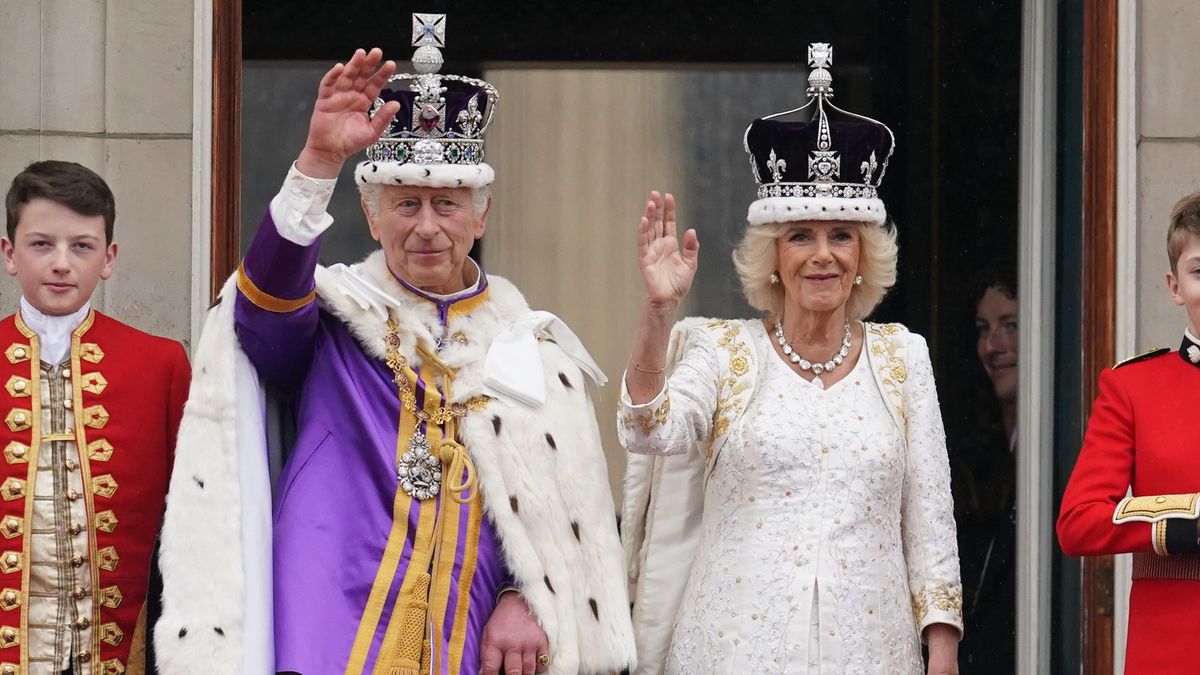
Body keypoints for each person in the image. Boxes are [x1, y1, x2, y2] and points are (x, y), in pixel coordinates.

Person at [154, 18, 635, 675]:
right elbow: (261, 306)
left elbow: (562, 525)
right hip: (325, 627)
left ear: (482, 214)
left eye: (447, 202)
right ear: (372, 215)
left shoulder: (536, 352)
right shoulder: (332, 319)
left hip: (463, 639)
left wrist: (531, 595)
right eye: (406, 203)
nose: (428, 226)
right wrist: (318, 163)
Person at [619, 44, 962, 675]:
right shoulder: (722, 352)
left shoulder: (903, 358)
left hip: (871, 650)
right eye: (800, 235)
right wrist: (658, 312)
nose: (822, 255)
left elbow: (931, 517)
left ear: (864, 255)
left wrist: (942, 646)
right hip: (731, 652)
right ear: (772, 256)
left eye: (841, 236)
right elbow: (648, 429)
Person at [0, 160, 190, 674]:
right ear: (9, 253)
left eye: (81, 246)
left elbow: (194, 522)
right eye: (41, 244)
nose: (61, 263)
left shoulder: (161, 363)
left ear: (108, 258)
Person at [1058, 188, 1200, 675]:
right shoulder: (1133, 387)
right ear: (1174, 285)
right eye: (1199, 270)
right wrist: (1179, 525)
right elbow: (1078, 521)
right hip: (1173, 645)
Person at [952, 264, 1017, 674]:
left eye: (1010, 325)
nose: (993, 345)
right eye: (982, 329)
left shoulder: (1061, 448)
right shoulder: (977, 457)